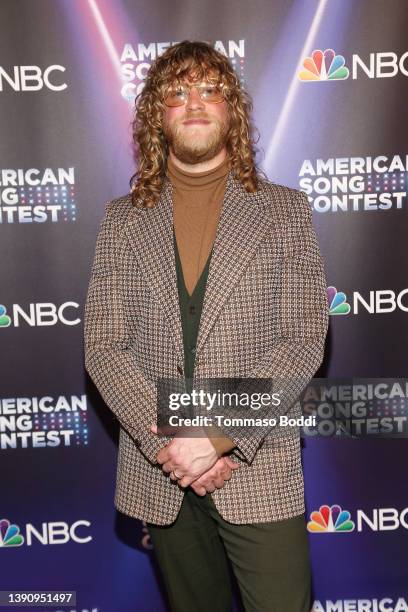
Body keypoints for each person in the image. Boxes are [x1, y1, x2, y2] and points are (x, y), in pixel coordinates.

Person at [84, 40, 328, 612]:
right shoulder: (121, 222)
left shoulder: (285, 211)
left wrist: (214, 437)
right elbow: (103, 344)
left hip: (257, 465)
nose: (194, 103)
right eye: (176, 92)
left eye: (209, 89)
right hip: (161, 471)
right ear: (156, 117)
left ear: (232, 110)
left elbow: (303, 340)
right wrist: (176, 443)